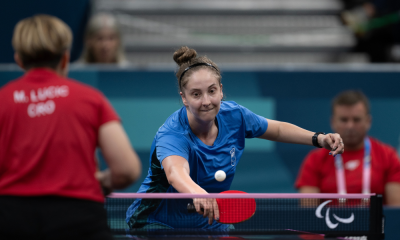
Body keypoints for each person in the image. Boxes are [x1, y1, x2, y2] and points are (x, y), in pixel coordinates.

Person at [125, 46, 344, 230]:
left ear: (221, 90)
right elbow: (175, 173)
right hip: (157, 222)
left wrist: (319, 139)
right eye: (196, 94)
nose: (206, 101)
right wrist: (198, 193)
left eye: (212, 91)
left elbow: (275, 129)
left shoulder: (235, 116)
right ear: (184, 98)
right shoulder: (172, 133)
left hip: (209, 219)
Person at [0, 15, 141, 239]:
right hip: (79, 219)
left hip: (11, 218)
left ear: (19, 60)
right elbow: (127, 170)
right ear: (65, 58)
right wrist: (104, 181)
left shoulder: (3, 99)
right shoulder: (90, 99)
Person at [296, 90, 400, 206]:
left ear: (368, 121)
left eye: (356, 120)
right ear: (333, 122)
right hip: (329, 223)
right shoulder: (314, 159)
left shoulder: (388, 156)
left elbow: (395, 211)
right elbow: (308, 213)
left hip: (375, 224)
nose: (350, 126)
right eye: (344, 120)